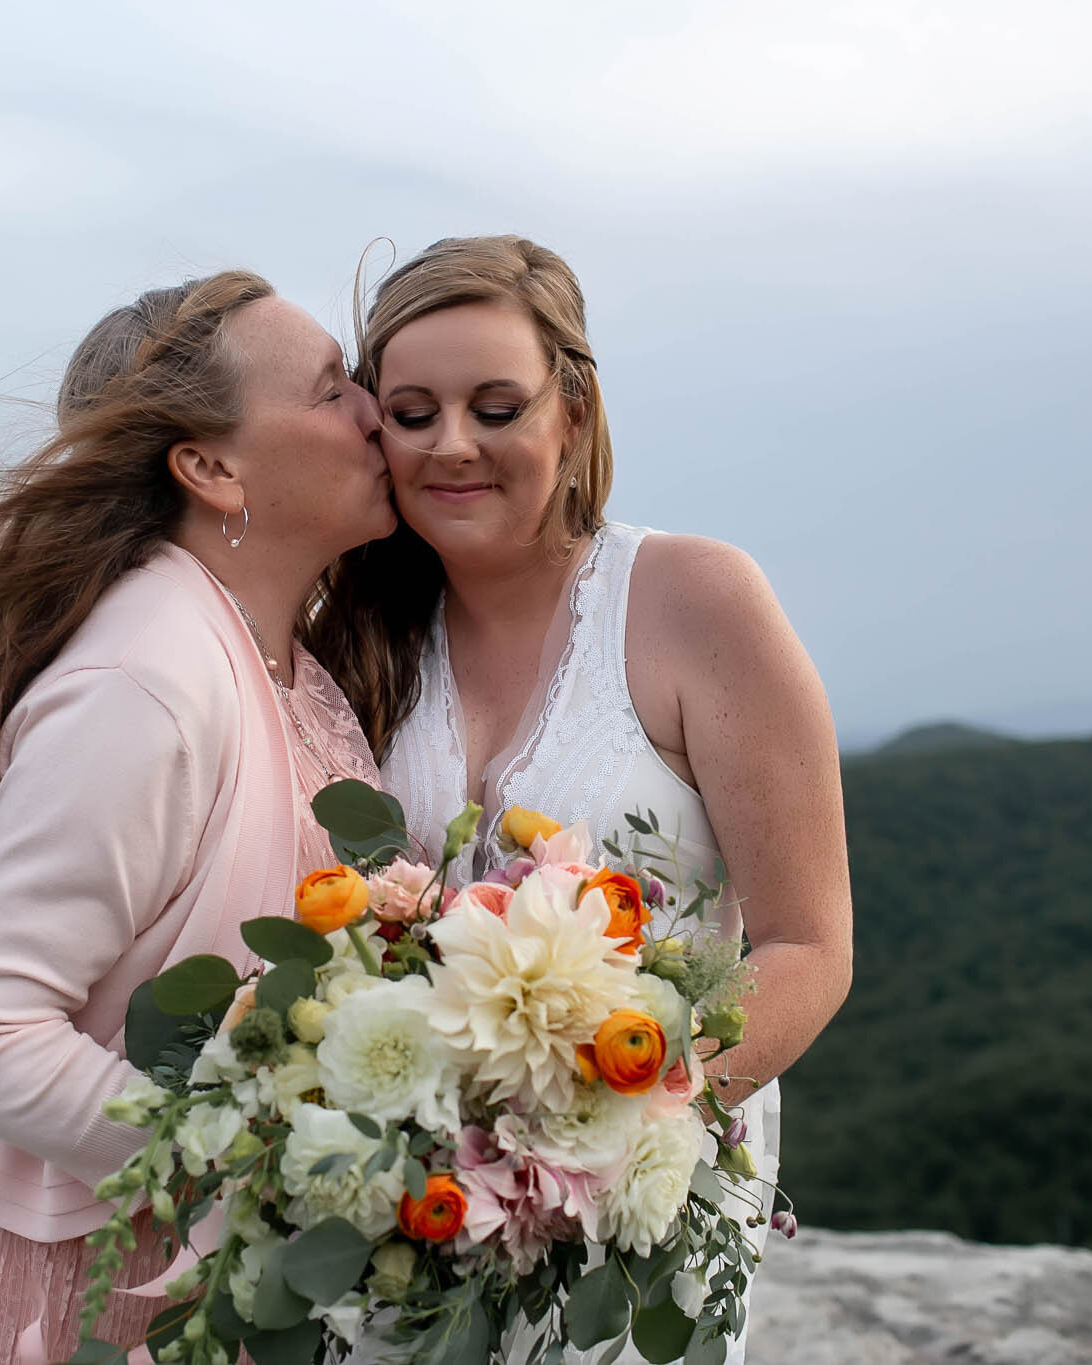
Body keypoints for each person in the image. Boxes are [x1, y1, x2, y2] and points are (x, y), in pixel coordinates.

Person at [0, 271, 394, 1363]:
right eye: (332, 386)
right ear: (209, 467)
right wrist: (260, 1157)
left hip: (192, 1264)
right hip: (83, 1284)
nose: (372, 412)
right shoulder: (146, 674)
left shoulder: (264, 647)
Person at [308, 236, 853, 1361]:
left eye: (494, 407)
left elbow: (807, 945)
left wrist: (599, 1131)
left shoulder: (693, 600)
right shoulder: (356, 637)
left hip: (630, 1227)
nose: (450, 444)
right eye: (410, 414)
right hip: (411, 1224)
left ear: (573, 409)